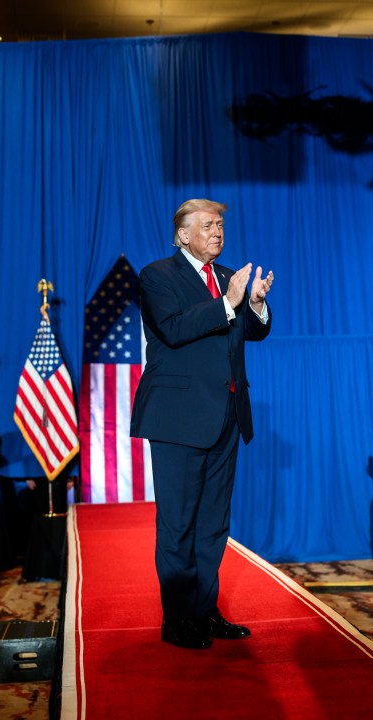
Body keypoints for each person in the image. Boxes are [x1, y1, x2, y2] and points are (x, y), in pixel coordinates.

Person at [130, 198, 273, 651]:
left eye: (220, 225)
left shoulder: (230, 277)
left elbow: (253, 331)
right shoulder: (157, 275)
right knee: (179, 525)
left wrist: (253, 303)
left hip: (227, 417)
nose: (217, 232)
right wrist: (229, 303)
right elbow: (172, 329)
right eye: (209, 225)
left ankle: (204, 611)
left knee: (213, 524)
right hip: (178, 420)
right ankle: (177, 620)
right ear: (182, 235)